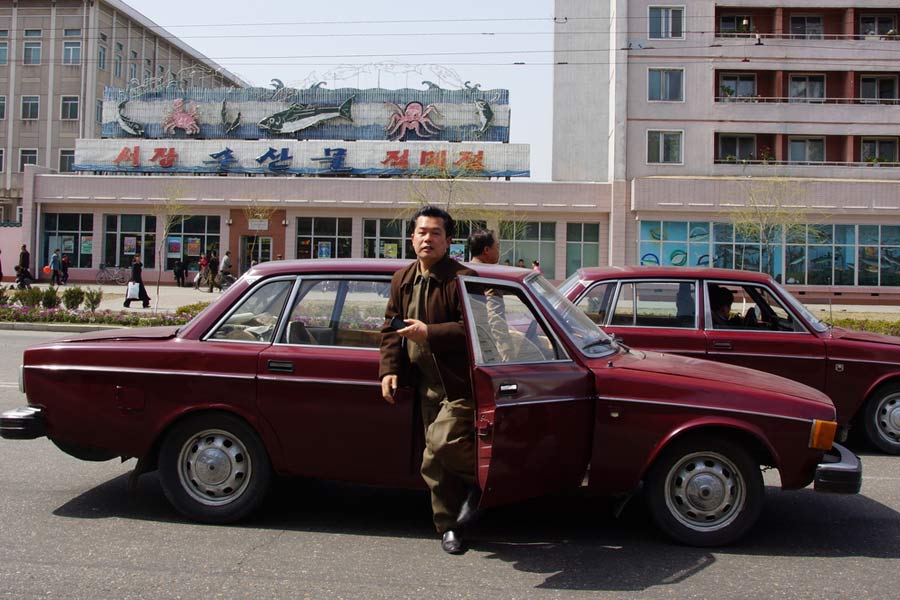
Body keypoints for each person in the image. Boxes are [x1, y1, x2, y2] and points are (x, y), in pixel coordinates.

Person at [379, 205, 478, 555]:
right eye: (422, 232)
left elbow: (475, 331)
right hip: (425, 385)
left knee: (439, 447)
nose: (427, 239)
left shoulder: (461, 280)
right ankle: (450, 526)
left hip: (460, 385)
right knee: (436, 462)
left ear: (448, 241)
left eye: (436, 233)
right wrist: (390, 369)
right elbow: (391, 328)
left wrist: (430, 333)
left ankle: (488, 481)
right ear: (411, 238)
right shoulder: (402, 279)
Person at [468, 229, 513, 363]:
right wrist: (507, 353)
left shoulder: (464, 271)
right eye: (497, 246)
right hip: (486, 348)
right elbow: (496, 318)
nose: (499, 250)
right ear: (487, 250)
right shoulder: (490, 277)